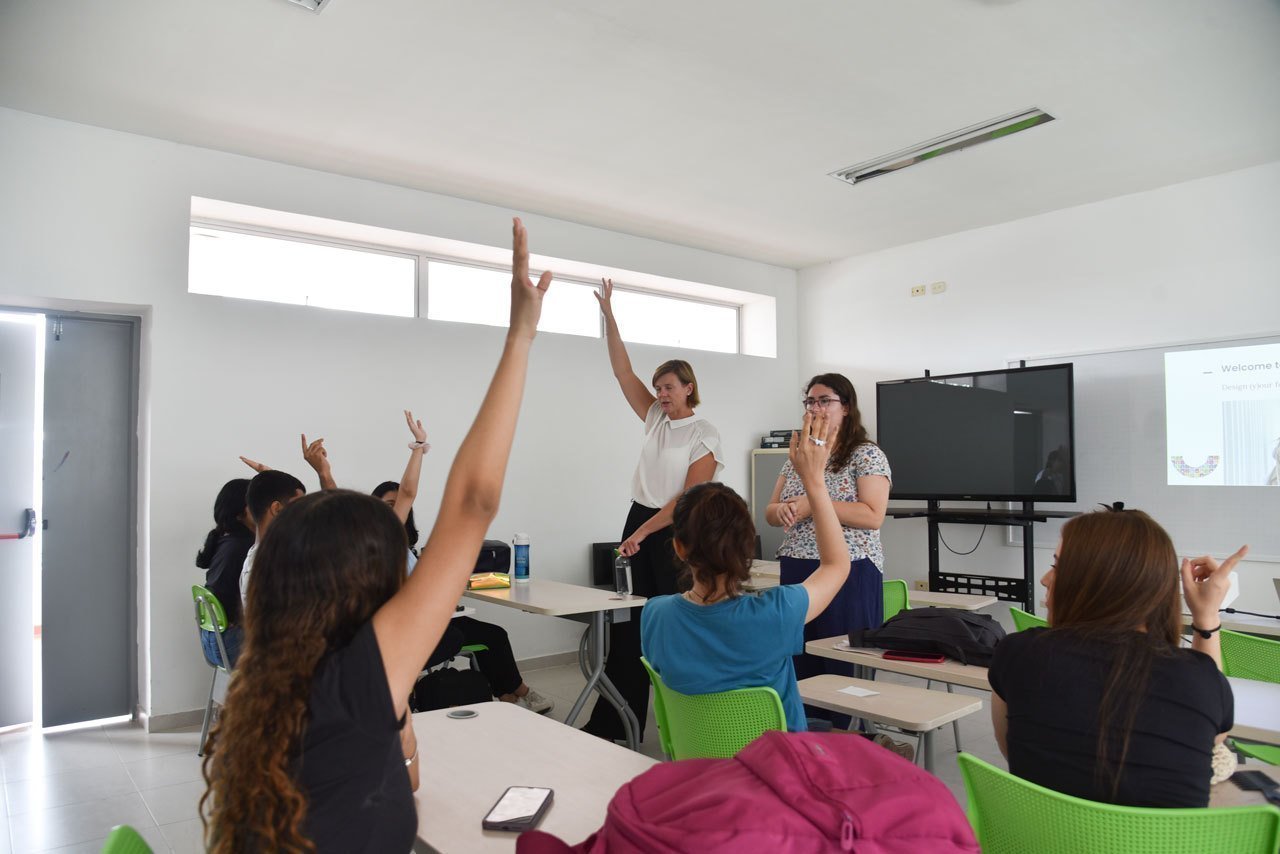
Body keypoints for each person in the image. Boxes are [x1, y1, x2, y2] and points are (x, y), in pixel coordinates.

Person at [201, 217, 550, 852]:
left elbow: (404, 785)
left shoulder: (280, 679)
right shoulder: (355, 679)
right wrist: (521, 336)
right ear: (365, 584)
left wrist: (402, 724)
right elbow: (472, 502)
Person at [988, 507, 1243, 808]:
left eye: (1058, 567)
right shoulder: (1200, 680)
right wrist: (1207, 616)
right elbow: (1207, 742)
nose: (1045, 579)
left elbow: (1016, 758)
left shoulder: (1017, 654)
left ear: (1099, 581)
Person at [641, 411, 848, 731]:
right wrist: (814, 481)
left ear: (679, 547)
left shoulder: (655, 614)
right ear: (747, 547)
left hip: (701, 768)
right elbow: (837, 565)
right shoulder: (779, 611)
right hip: (779, 772)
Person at [582, 277, 723, 742]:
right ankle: (617, 722)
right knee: (631, 624)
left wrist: (644, 533)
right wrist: (609, 318)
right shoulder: (654, 420)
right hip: (639, 519)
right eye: (658, 387)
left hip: (678, 532)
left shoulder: (705, 432)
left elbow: (686, 498)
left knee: (673, 623)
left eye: (668, 387)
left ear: (688, 389)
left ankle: (691, 721)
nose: (660, 394)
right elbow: (624, 374)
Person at [765, 373, 890, 723]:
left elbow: (872, 514)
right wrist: (786, 509)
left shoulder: (866, 454)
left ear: (846, 408)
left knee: (840, 662)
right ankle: (805, 734)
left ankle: (850, 737)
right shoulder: (797, 456)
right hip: (797, 566)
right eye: (810, 401)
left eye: (825, 401)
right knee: (799, 658)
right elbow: (770, 511)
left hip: (850, 569)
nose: (815, 408)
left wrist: (812, 503)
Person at [373, 479, 553, 714]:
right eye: (388, 505)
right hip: (414, 631)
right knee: (486, 637)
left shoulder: (406, 549)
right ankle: (519, 693)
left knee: (493, 635)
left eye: (399, 505)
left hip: (432, 619)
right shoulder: (374, 548)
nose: (396, 510)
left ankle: (509, 695)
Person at [195, 478, 253, 667]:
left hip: (213, 643)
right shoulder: (245, 546)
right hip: (231, 645)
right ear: (242, 513)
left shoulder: (225, 540)